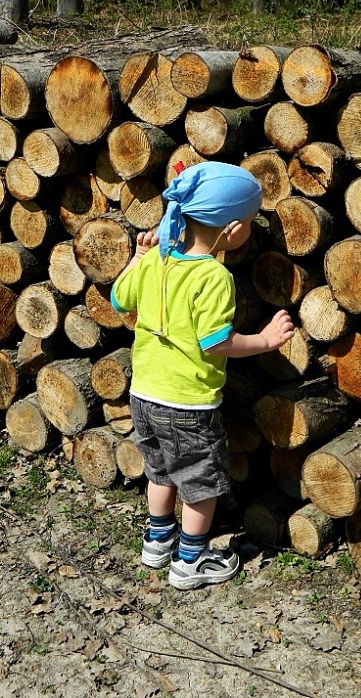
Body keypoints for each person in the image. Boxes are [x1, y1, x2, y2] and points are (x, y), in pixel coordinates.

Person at [111, 161, 294, 590]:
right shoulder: (214, 276)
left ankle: (157, 543)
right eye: (249, 222)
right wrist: (265, 341)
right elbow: (216, 342)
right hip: (188, 404)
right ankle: (191, 560)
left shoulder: (157, 257)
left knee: (159, 472)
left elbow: (120, 299)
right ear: (231, 230)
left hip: (144, 395)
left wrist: (138, 258)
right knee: (199, 484)